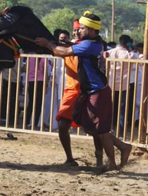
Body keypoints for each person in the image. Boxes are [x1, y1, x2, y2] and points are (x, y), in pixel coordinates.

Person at [36, 12, 132, 171]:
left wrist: (47, 44)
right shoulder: (94, 43)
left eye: (82, 28)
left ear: (92, 30)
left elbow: (64, 52)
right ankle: (120, 148)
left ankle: (115, 159)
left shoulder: (89, 45)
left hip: (97, 91)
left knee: (100, 130)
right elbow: (73, 46)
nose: (78, 31)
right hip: (91, 92)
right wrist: (68, 42)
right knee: (89, 127)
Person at [52, 21, 104, 166]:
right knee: (63, 125)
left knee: (93, 128)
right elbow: (58, 50)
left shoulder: (86, 47)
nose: (76, 33)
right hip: (71, 91)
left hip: (87, 92)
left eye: (79, 30)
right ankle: (69, 158)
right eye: (74, 30)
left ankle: (100, 159)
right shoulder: (70, 47)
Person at [105, 35, 138, 136]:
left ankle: (107, 129)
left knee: (108, 107)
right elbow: (138, 58)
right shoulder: (129, 54)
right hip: (123, 85)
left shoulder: (110, 52)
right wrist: (132, 49)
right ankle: (120, 132)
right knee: (122, 109)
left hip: (110, 83)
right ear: (128, 43)